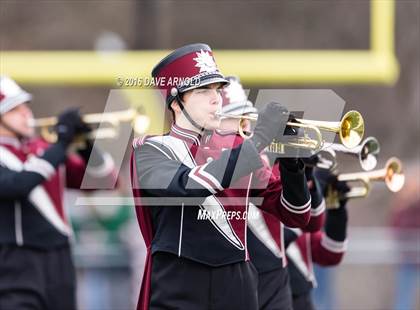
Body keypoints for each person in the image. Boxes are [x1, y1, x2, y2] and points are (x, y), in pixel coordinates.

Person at [130, 43, 312, 310]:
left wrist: (293, 164)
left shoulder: (237, 147)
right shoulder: (150, 149)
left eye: (217, 90)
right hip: (179, 283)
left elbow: (296, 214)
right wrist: (259, 139)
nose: (216, 99)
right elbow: (190, 186)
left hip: (237, 285)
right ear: (176, 102)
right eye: (203, 91)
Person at [0, 76, 115, 309]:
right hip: (14, 263)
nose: (26, 114)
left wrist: (86, 145)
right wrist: (61, 144)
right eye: (14, 109)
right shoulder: (49, 153)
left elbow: (105, 180)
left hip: (60, 261)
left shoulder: (44, 150)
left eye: (26, 106)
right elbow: (16, 185)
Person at [215, 76, 326, 310]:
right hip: (227, 281)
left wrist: (303, 172)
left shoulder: (266, 161)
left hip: (274, 281)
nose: (245, 126)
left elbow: (309, 221)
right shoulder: (203, 161)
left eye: (247, 118)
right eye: (236, 119)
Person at [284, 168, 350, 310]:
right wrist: (311, 190)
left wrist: (336, 210)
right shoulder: (253, 190)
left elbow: (331, 253)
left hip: (300, 298)